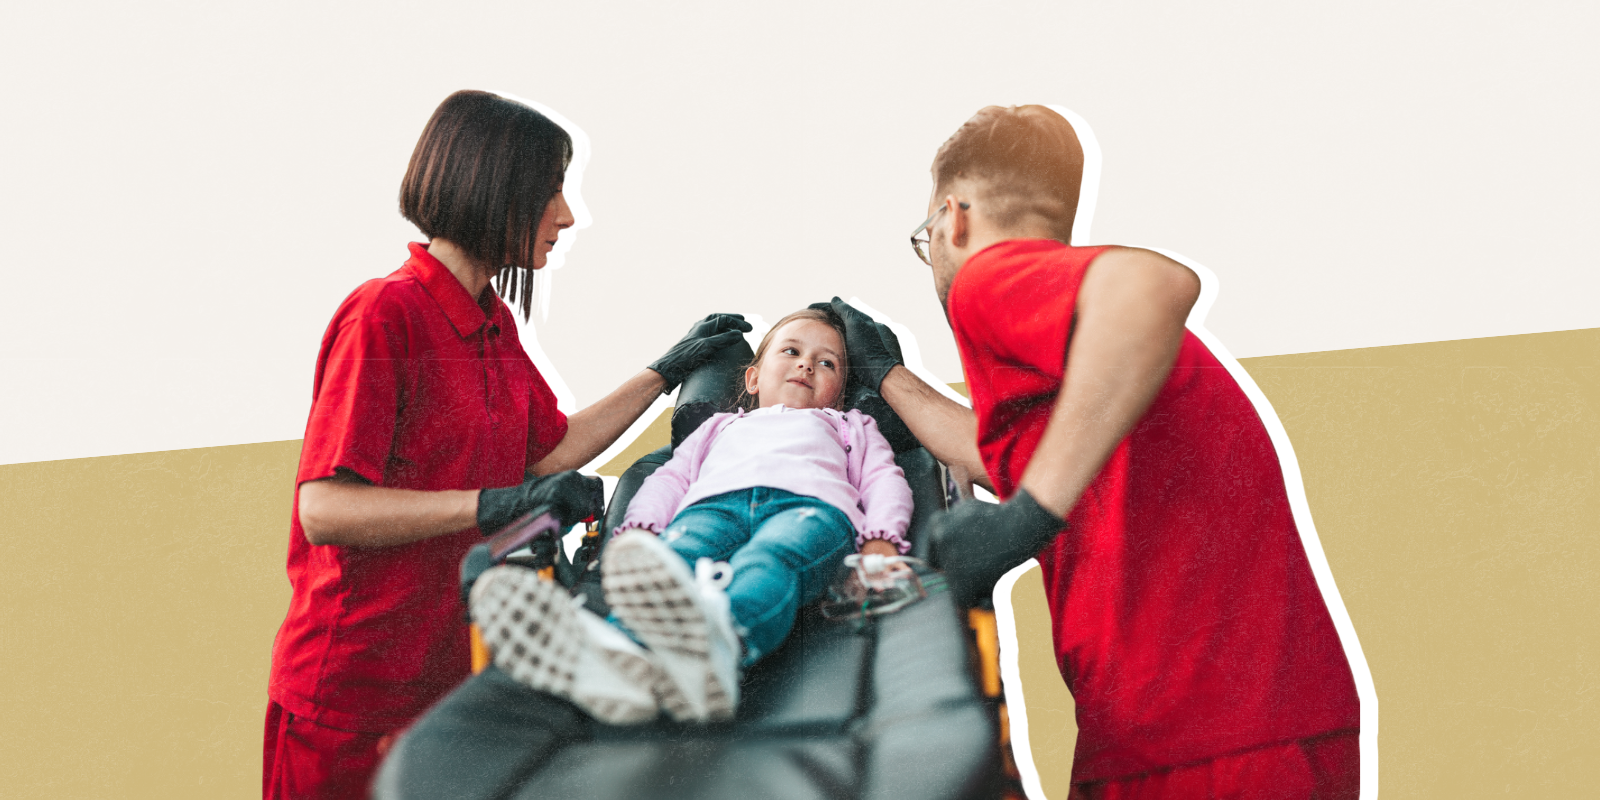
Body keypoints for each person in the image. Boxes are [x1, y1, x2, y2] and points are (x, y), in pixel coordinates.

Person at [823, 105, 1361, 798]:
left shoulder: (992, 281)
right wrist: (887, 375)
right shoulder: (1089, 385)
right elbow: (1007, 461)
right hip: (1230, 722)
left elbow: (1154, 285)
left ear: (953, 219)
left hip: (1206, 734)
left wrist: (1028, 516)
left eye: (927, 238)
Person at [263, 89, 750, 799]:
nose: (567, 214)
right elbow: (325, 510)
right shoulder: (384, 315)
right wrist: (496, 504)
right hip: (350, 695)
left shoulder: (491, 324)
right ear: (495, 187)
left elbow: (548, 454)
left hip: (444, 679)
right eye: (552, 189)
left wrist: (664, 371)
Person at [469, 307, 913, 725]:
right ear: (753, 378)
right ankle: (614, 655)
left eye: (827, 363)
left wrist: (880, 538)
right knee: (672, 558)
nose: (806, 366)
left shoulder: (850, 426)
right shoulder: (718, 427)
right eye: (791, 351)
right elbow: (670, 480)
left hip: (811, 509)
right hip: (712, 507)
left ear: (840, 393)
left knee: (768, 559)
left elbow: (883, 479)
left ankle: (719, 648)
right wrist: (638, 530)